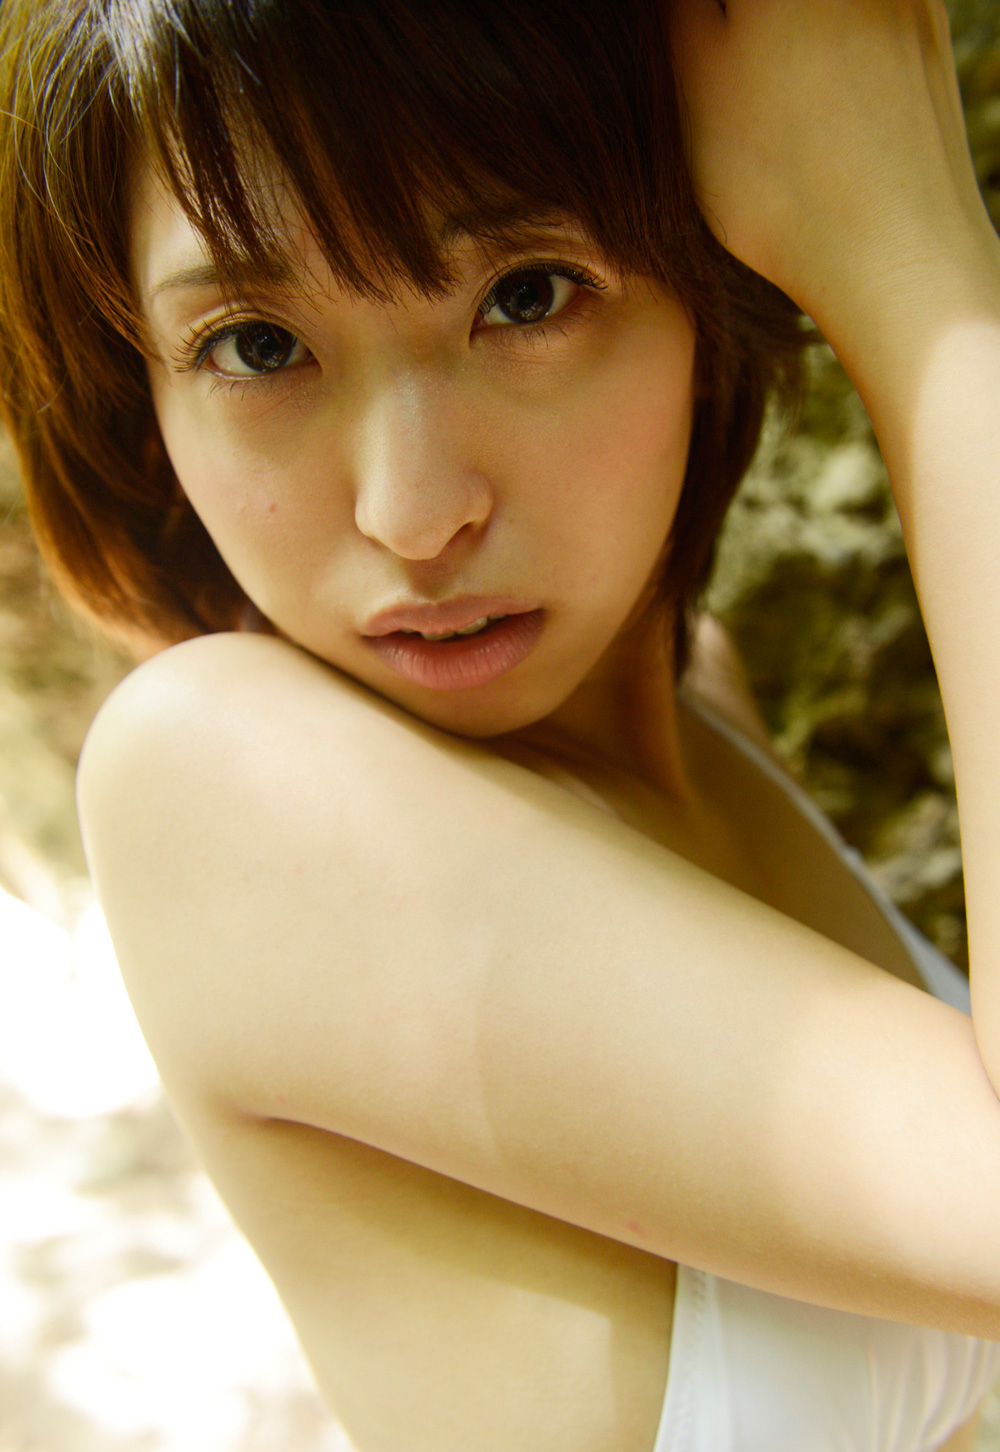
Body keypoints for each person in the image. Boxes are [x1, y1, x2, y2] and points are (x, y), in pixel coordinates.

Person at [2, 0, 1000, 1446]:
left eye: (526, 296)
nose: (414, 513)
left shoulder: (708, 704)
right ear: (139, 389)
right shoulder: (212, 778)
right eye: (257, 344)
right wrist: (912, 263)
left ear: (709, 281)